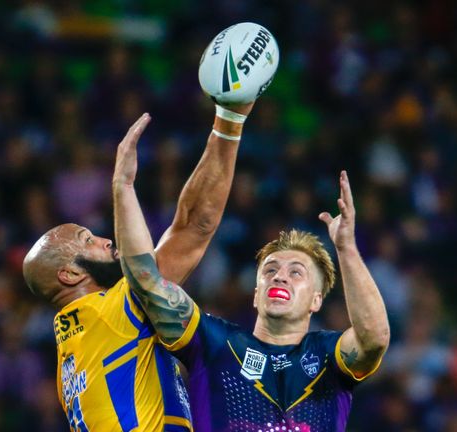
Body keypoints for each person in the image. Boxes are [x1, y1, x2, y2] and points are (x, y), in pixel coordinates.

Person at [114, 124, 391, 431]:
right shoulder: (215, 343)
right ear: (256, 293)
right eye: (270, 270)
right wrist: (124, 189)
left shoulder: (328, 356)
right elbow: (146, 282)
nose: (280, 277)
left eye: (296, 272)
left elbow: (374, 337)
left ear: (316, 299)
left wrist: (347, 248)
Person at [22, 100, 253, 431]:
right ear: (70, 274)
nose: (105, 241)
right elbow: (195, 225)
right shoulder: (113, 314)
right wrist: (229, 121)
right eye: (87, 240)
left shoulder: (70, 355)